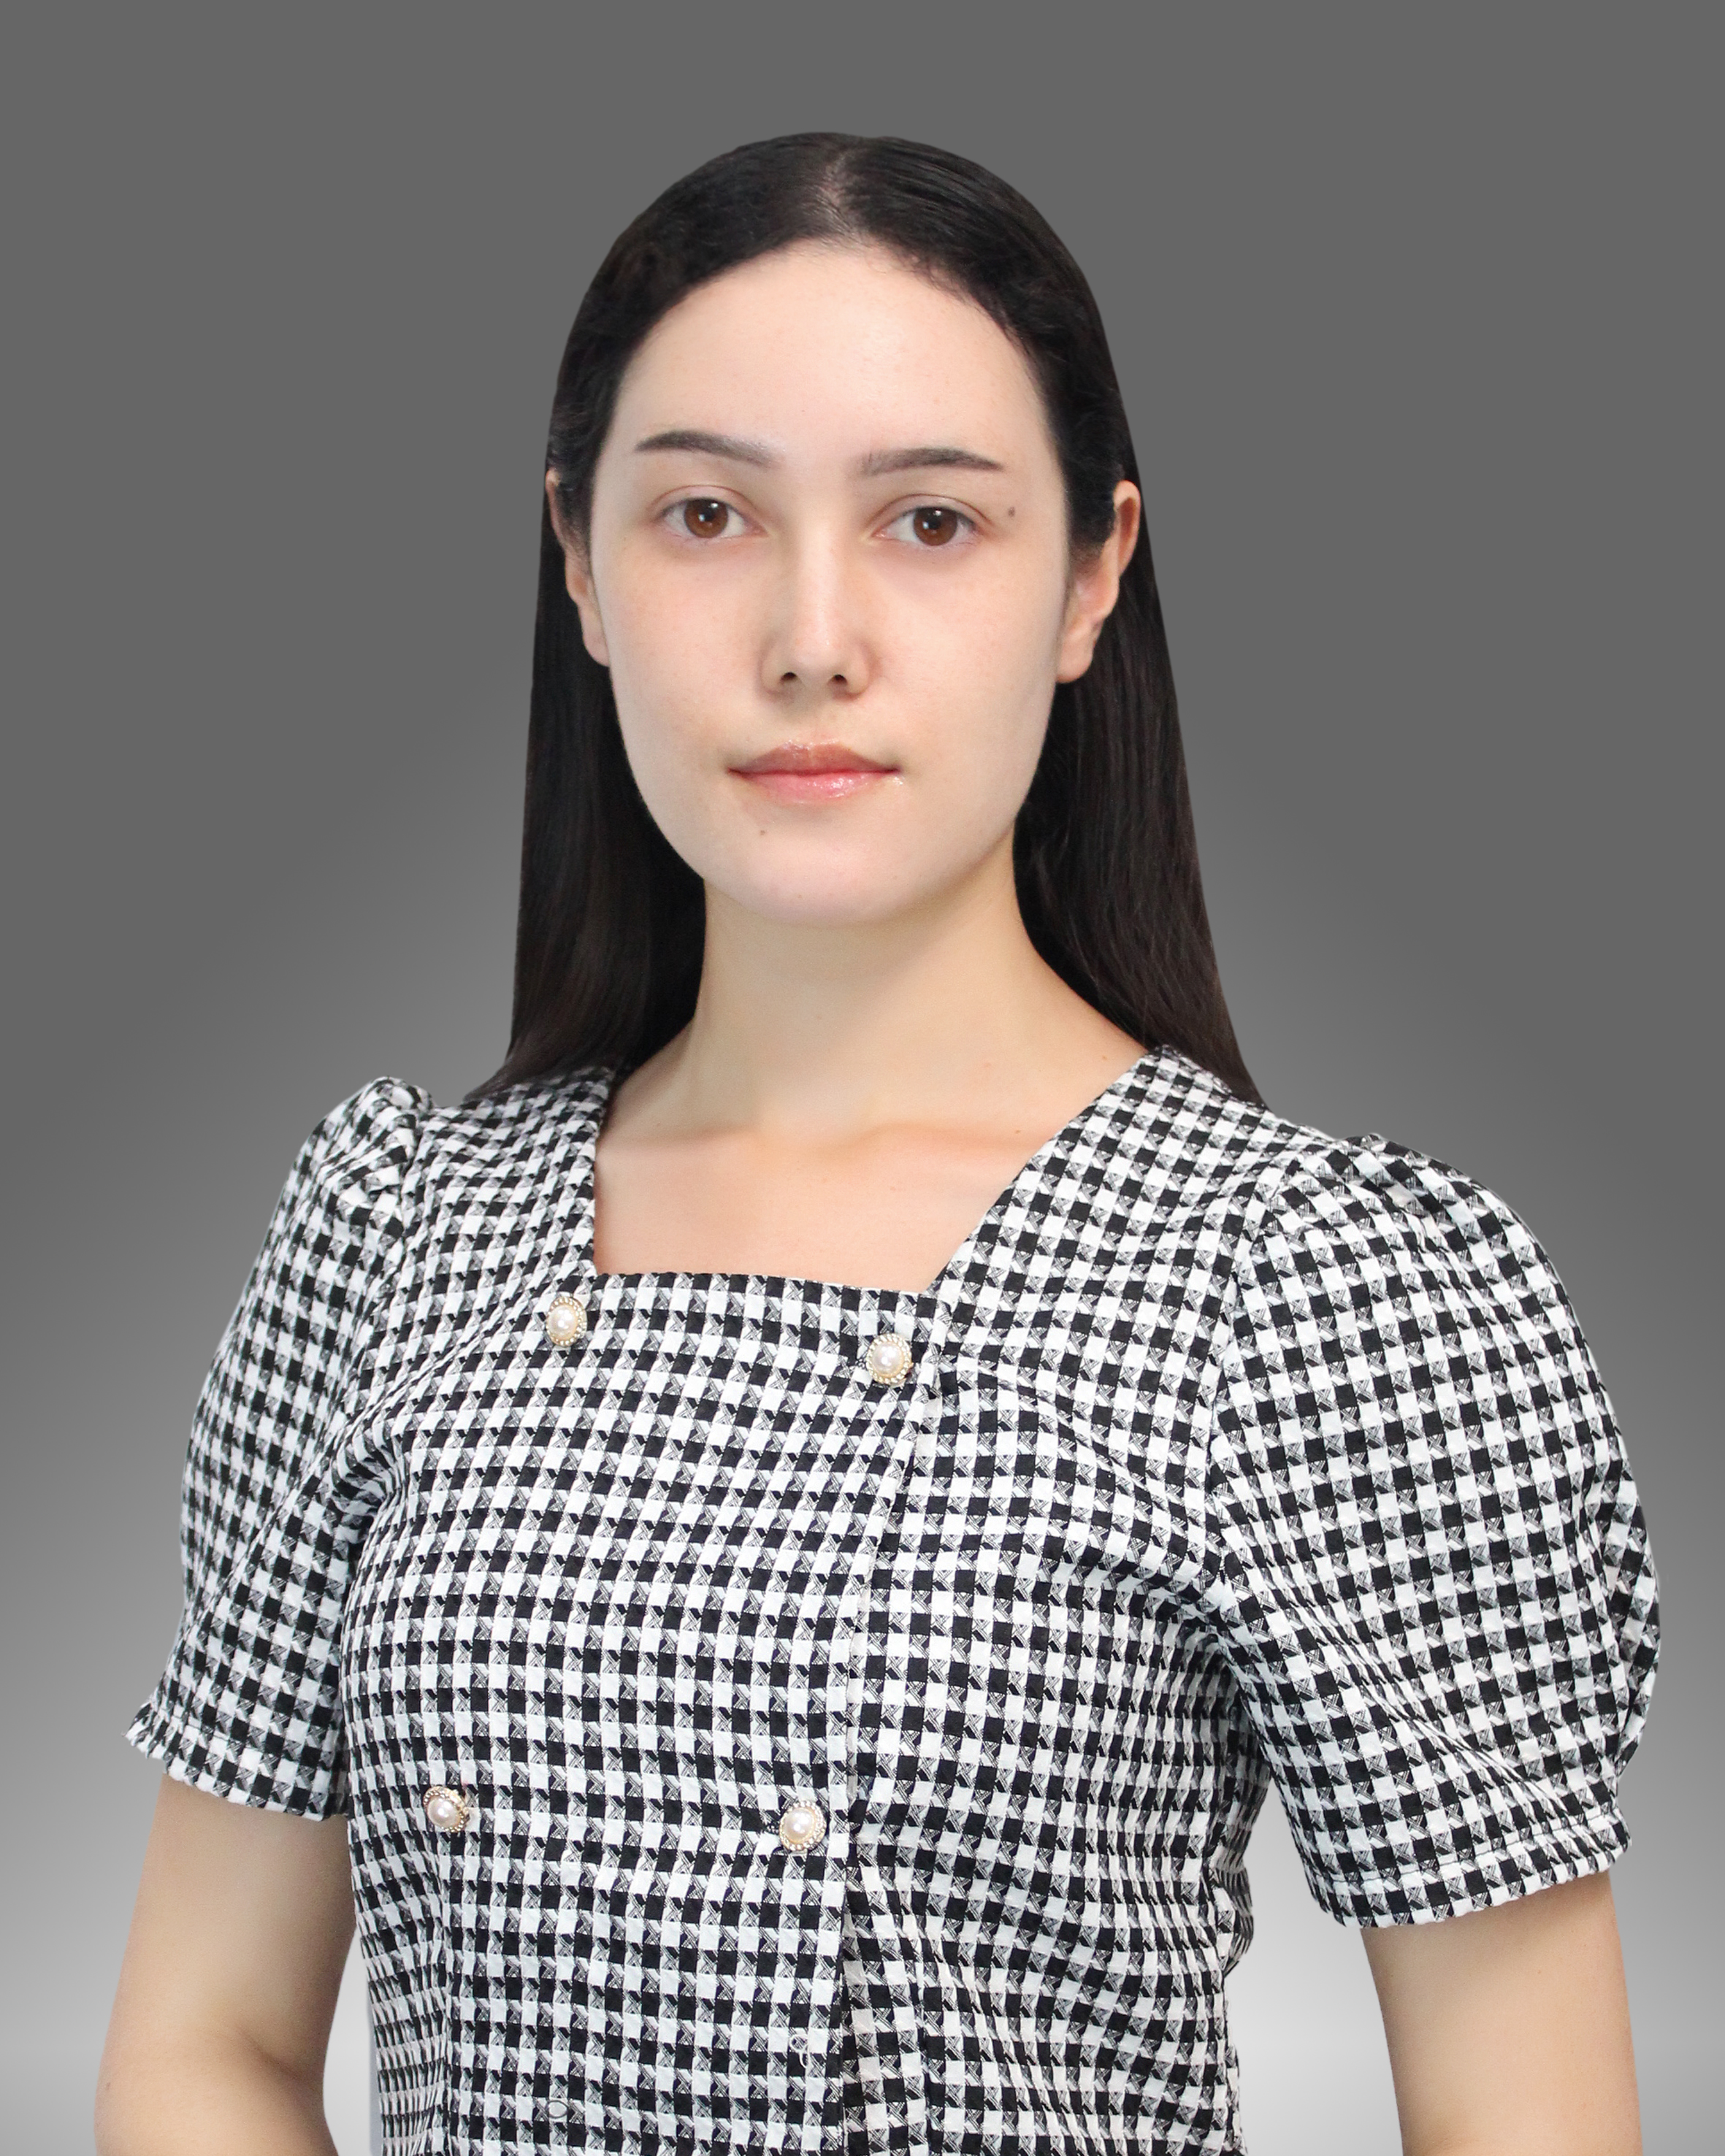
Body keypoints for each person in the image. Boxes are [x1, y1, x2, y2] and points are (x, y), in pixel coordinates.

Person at [96, 134, 1658, 2156]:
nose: (811, 636)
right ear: (577, 561)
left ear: (1090, 575)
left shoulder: (1317, 1288)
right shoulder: (392, 1230)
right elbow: (203, 2046)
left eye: (930, 520)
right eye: (705, 515)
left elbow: (1529, 2125)